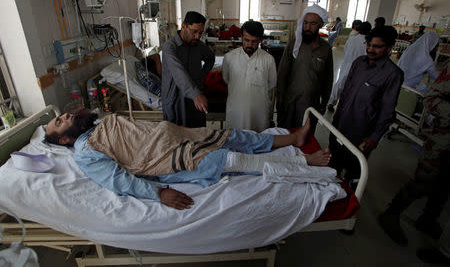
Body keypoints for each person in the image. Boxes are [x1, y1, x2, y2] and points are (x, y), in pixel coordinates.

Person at [44, 112, 332, 210]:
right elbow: (119, 180)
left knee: (232, 135)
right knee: (230, 157)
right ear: (64, 140)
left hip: (176, 136)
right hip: (166, 158)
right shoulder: (84, 151)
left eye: (61, 116)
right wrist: (159, 193)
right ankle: (304, 163)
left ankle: (292, 140)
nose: (65, 117)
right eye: (59, 122)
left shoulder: (94, 125)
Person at [378, 65, 449, 246]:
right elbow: (431, 98)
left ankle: (428, 219)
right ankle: (391, 213)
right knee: (423, 180)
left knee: (443, 186)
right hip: (442, 139)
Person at [329, 26, 404, 183]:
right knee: (332, 165)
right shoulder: (359, 63)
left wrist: (374, 137)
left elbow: (387, 110)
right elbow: (346, 93)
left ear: (390, 47)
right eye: (369, 44)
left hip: (361, 133)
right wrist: (336, 116)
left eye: (377, 46)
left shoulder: (392, 74)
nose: (370, 49)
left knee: (353, 172)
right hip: (340, 125)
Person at [277, 4, 333, 131]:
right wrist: (280, 102)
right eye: (305, 23)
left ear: (320, 24)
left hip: (310, 106)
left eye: (313, 23)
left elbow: (328, 79)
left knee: (305, 141)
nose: (307, 27)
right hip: (289, 103)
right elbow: (282, 75)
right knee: (286, 137)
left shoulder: (325, 49)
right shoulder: (294, 45)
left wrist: (324, 104)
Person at [161, 11, 215, 128]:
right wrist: (196, 94)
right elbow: (178, 72)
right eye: (194, 31)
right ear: (184, 26)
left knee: (197, 134)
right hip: (176, 98)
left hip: (195, 97)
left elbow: (210, 58)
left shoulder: (198, 46)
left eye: (200, 33)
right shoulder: (170, 47)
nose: (197, 36)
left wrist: (200, 76)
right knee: (177, 135)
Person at [222, 20, 277, 131]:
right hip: (236, 111)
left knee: (258, 141)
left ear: (260, 40)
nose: (249, 45)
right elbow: (226, 79)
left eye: (254, 41)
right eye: (246, 40)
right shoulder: (229, 57)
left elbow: (271, 83)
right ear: (241, 37)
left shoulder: (268, 59)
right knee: (235, 141)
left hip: (259, 113)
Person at [328, 21, 372, 111]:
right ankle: (346, 107)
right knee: (354, 88)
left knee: (340, 84)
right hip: (359, 69)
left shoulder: (352, 39)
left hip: (346, 64)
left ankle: (331, 103)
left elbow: (346, 50)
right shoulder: (367, 43)